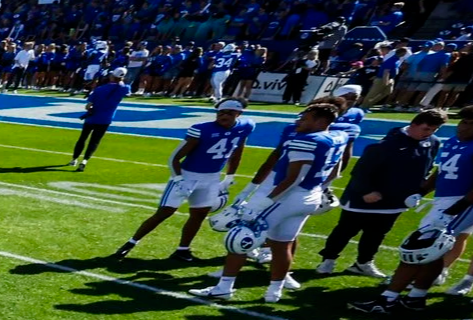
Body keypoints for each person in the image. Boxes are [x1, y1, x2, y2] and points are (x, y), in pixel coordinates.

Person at [192, 99, 342, 303]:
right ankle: (274, 292)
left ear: (319, 120)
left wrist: (266, 201)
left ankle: (224, 287)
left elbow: (293, 178)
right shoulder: (337, 137)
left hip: (287, 196)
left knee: (241, 235)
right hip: (311, 195)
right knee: (283, 243)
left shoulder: (307, 140)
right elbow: (336, 169)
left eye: (305, 118)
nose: (299, 121)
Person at [350, 108, 473, 316]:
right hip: (445, 200)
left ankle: (388, 299)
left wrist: (456, 209)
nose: (463, 127)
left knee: (417, 248)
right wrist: (422, 190)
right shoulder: (453, 141)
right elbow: (441, 170)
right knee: (433, 253)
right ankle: (416, 297)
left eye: (470, 124)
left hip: (461, 203)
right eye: (464, 122)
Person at [115, 100, 253, 260]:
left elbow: (238, 151)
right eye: (221, 112)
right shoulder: (202, 129)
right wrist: (179, 180)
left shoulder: (246, 126)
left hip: (211, 177)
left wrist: (230, 176)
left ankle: (182, 249)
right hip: (187, 175)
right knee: (165, 212)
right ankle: (131, 243)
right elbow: (174, 158)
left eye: (229, 113)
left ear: (239, 114)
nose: (224, 116)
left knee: (200, 214)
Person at [314, 110, 441, 278]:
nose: (429, 133)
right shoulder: (386, 144)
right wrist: (366, 191)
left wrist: (418, 191)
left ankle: (363, 263)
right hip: (363, 199)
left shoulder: (432, 142)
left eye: (434, 130)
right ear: (414, 124)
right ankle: (328, 260)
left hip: (396, 201)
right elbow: (360, 171)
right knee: (345, 230)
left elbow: (428, 167)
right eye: (426, 129)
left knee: (377, 234)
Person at [70, 68, 129, 169]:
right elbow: (125, 88)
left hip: (92, 118)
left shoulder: (99, 89)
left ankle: (74, 159)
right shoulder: (124, 88)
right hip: (105, 119)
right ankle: (84, 161)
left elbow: (88, 106)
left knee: (82, 138)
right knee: (94, 141)